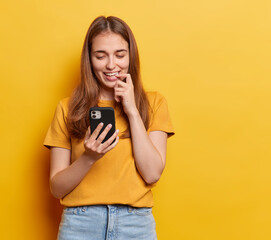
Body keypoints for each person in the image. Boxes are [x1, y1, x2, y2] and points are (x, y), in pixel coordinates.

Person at [44, 15, 174, 240]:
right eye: (100, 56)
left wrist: (132, 110)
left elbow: (152, 173)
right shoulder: (67, 108)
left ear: (130, 56)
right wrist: (89, 157)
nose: (111, 65)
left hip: (135, 223)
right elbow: (57, 188)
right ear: (89, 59)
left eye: (120, 54)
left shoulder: (154, 103)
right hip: (81, 223)